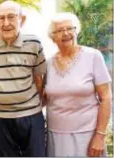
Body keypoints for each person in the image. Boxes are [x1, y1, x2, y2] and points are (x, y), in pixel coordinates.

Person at [0, 0, 47, 157]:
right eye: (1, 18)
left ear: (22, 19)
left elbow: (39, 79)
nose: (6, 23)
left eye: (11, 17)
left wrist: (34, 105)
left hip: (30, 115)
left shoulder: (34, 43)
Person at [44, 12, 112, 157]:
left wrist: (100, 136)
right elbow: (43, 98)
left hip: (88, 135)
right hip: (56, 135)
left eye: (70, 28)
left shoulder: (93, 56)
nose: (66, 33)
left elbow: (106, 97)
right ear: (52, 37)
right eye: (60, 30)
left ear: (76, 31)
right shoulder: (47, 64)